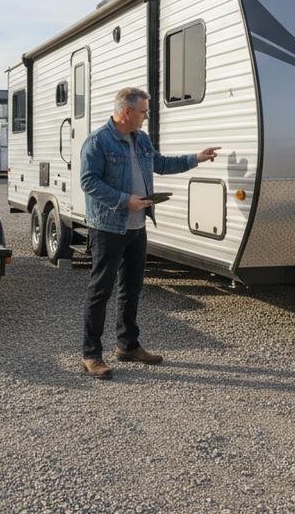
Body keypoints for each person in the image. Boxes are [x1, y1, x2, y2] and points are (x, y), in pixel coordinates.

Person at [78, 87, 220, 379]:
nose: (146, 116)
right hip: (108, 227)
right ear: (127, 111)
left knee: (131, 288)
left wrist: (197, 158)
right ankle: (91, 355)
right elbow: (88, 181)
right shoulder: (98, 141)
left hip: (137, 225)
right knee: (100, 290)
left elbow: (162, 164)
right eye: (143, 111)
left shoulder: (140, 139)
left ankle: (127, 345)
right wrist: (124, 200)